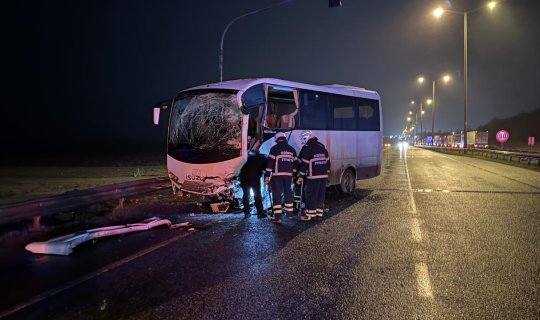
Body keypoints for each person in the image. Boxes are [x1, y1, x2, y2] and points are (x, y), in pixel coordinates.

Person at [296, 130, 330, 221]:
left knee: (310, 194)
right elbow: (328, 161)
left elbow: (304, 164)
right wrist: (327, 173)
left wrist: (300, 177)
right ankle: (319, 214)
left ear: (306, 138)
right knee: (320, 195)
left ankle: (310, 215)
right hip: (323, 176)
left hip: (313, 177)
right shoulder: (322, 147)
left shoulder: (308, 148)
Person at [264, 132, 298, 224]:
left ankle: (278, 217)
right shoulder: (291, 149)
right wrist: (293, 175)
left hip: (277, 176)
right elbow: (296, 163)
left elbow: (270, 163)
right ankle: (290, 215)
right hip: (288, 177)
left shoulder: (274, 149)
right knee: (288, 194)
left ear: (276, 139)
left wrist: (267, 175)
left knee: (277, 195)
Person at [239, 149, 267, 218]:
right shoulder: (264, 159)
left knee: (246, 195)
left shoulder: (251, 158)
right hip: (254, 178)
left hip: (244, 177)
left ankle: (247, 213)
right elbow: (266, 170)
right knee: (257, 195)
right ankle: (260, 212)